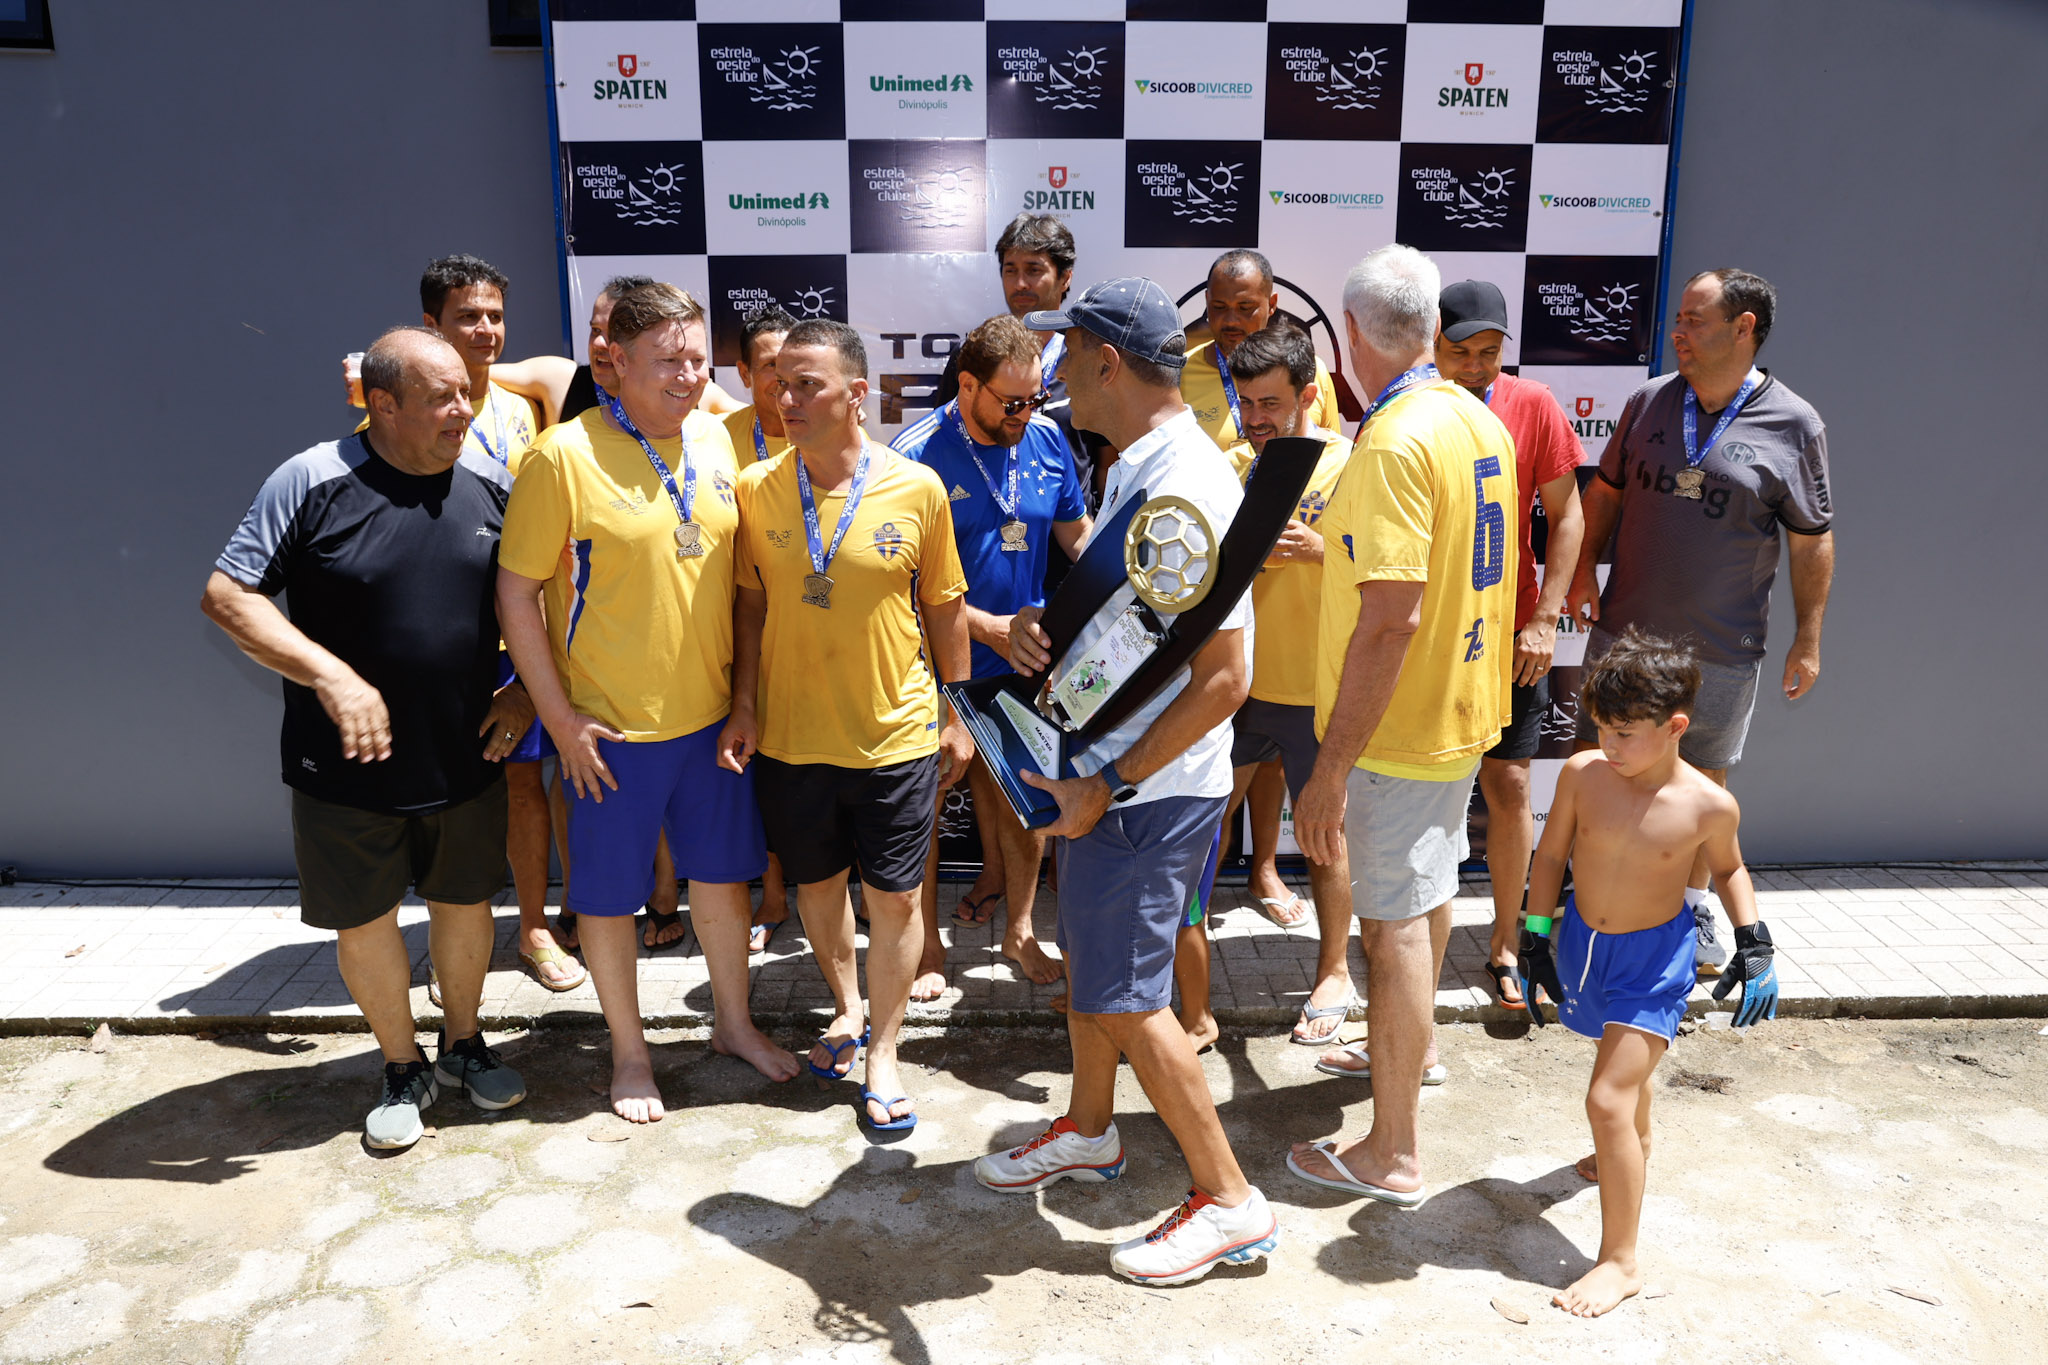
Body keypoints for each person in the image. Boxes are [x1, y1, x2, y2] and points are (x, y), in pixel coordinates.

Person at [973, 277, 1277, 1286]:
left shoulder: (1186, 484)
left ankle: (1228, 1200)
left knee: (1132, 1000)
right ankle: (1090, 1129)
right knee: (1096, 972)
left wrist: (1109, 779)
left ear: (1108, 364)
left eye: (1067, 353)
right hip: (1115, 778)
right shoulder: (1139, 465)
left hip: (1143, 790)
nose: (1054, 371)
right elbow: (1138, 635)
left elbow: (1226, 679)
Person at [202, 327, 527, 1149]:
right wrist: (331, 676)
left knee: (466, 904)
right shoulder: (310, 479)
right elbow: (228, 596)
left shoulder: (495, 481)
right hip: (343, 765)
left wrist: (524, 689)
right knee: (367, 918)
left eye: (466, 392)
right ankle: (400, 1064)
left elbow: (542, 600)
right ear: (382, 404)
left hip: (465, 751)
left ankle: (463, 1043)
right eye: (442, 397)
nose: (464, 410)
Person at [497, 283, 799, 1124]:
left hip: (712, 725)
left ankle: (733, 1024)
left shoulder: (717, 439)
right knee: (605, 900)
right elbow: (516, 594)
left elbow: (742, 587)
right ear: (615, 361)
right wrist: (559, 719)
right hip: (609, 733)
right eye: (667, 359)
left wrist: (744, 700)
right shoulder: (562, 455)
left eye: (696, 357)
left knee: (723, 883)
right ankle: (630, 1055)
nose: (688, 374)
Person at [1285, 245, 1515, 1205]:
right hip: (1457, 713)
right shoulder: (1475, 417)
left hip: (1398, 733)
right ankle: (1407, 1059)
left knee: (1394, 935)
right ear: (1429, 328)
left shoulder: (1392, 440)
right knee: (1423, 902)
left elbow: (1390, 619)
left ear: (1349, 335)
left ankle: (1392, 1150)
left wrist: (1331, 767)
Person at [719, 319, 975, 1133]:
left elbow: (945, 610)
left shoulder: (917, 487)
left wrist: (957, 714)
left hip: (895, 733)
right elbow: (750, 606)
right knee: (819, 888)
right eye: (779, 384)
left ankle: (886, 1053)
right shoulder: (757, 486)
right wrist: (745, 704)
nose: (785, 398)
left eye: (807, 384)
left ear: (857, 394)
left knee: (895, 899)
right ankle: (847, 1005)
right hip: (792, 737)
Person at [1563, 268, 1834, 970]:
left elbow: (1811, 539)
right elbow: (1606, 494)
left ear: (1744, 328)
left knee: (1704, 778)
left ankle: (1689, 910)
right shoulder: (1649, 400)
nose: (1677, 331)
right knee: (1596, 761)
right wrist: (1583, 569)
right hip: (1625, 635)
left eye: (1694, 319)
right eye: (1678, 318)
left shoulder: (1795, 423)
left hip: (1722, 643)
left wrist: (1808, 638)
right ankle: (1580, 904)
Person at [1518, 627, 1780, 1316]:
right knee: (1624, 1094)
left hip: (1654, 964)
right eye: (1602, 728)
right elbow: (1551, 857)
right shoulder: (1582, 775)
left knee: (1606, 1098)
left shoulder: (1708, 804)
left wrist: (1755, 942)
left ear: (1675, 727)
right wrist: (1535, 935)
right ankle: (1634, 1145)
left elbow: (1730, 869)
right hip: (1585, 947)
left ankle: (1620, 1261)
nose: (1609, 744)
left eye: (1625, 733)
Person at [1173, 319, 1357, 1053]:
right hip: (1237, 689)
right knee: (1197, 831)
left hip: (1317, 693)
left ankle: (1335, 973)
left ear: (1309, 396)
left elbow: (1392, 570)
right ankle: (1184, 990)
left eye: (1270, 403)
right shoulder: (1234, 467)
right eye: (1245, 403)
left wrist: (1322, 550)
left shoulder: (1351, 463)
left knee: (1324, 840)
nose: (1255, 419)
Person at [894, 315, 1092, 993]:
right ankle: (926, 947)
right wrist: (987, 629)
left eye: (1035, 398)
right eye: (1011, 403)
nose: (1025, 414)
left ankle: (1021, 930)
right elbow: (900, 585)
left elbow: (1077, 538)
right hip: (932, 668)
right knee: (923, 808)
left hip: (1023, 661)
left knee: (1024, 799)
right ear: (967, 386)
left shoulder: (1046, 438)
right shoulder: (915, 455)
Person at [412, 254, 586, 992]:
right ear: (432, 324)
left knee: (525, 785)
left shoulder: (527, 404)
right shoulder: (399, 414)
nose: (485, 329)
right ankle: (458, 930)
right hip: (449, 638)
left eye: (494, 316)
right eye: (467, 317)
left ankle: (535, 927)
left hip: (526, 633)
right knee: (455, 792)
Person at [1434, 280, 1587, 1009]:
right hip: (1432, 639)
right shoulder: (1411, 405)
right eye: (1460, 351)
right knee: (1428, 791)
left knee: (1512, 787)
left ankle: (1505, 943)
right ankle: (1410, 944)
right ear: (1433, 345)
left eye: (1489, 352)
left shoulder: (1533, 403)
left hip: (1512, 637)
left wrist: (1545, 619)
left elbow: (1569, 515)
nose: (1474, 366)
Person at [491, 276, 742, 428]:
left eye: (613, 333)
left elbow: (758, 418)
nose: (600, 343)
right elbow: (476, 373)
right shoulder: (562, 380)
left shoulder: (692, 389)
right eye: (595, 330)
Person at [1181, 250, 1344, 451]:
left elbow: (1332, 454)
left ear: (1272, 304)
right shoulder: (1178, 375)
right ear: (1207, 301)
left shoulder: (1311, 369)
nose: (1231, 320)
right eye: (1219, 307)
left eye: (1245, 307)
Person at [724, 305, 797, 470]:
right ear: (745, 374)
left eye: (791, 363)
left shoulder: (832, 434)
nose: (784, 377)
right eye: (771, 364)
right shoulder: (720, 436)